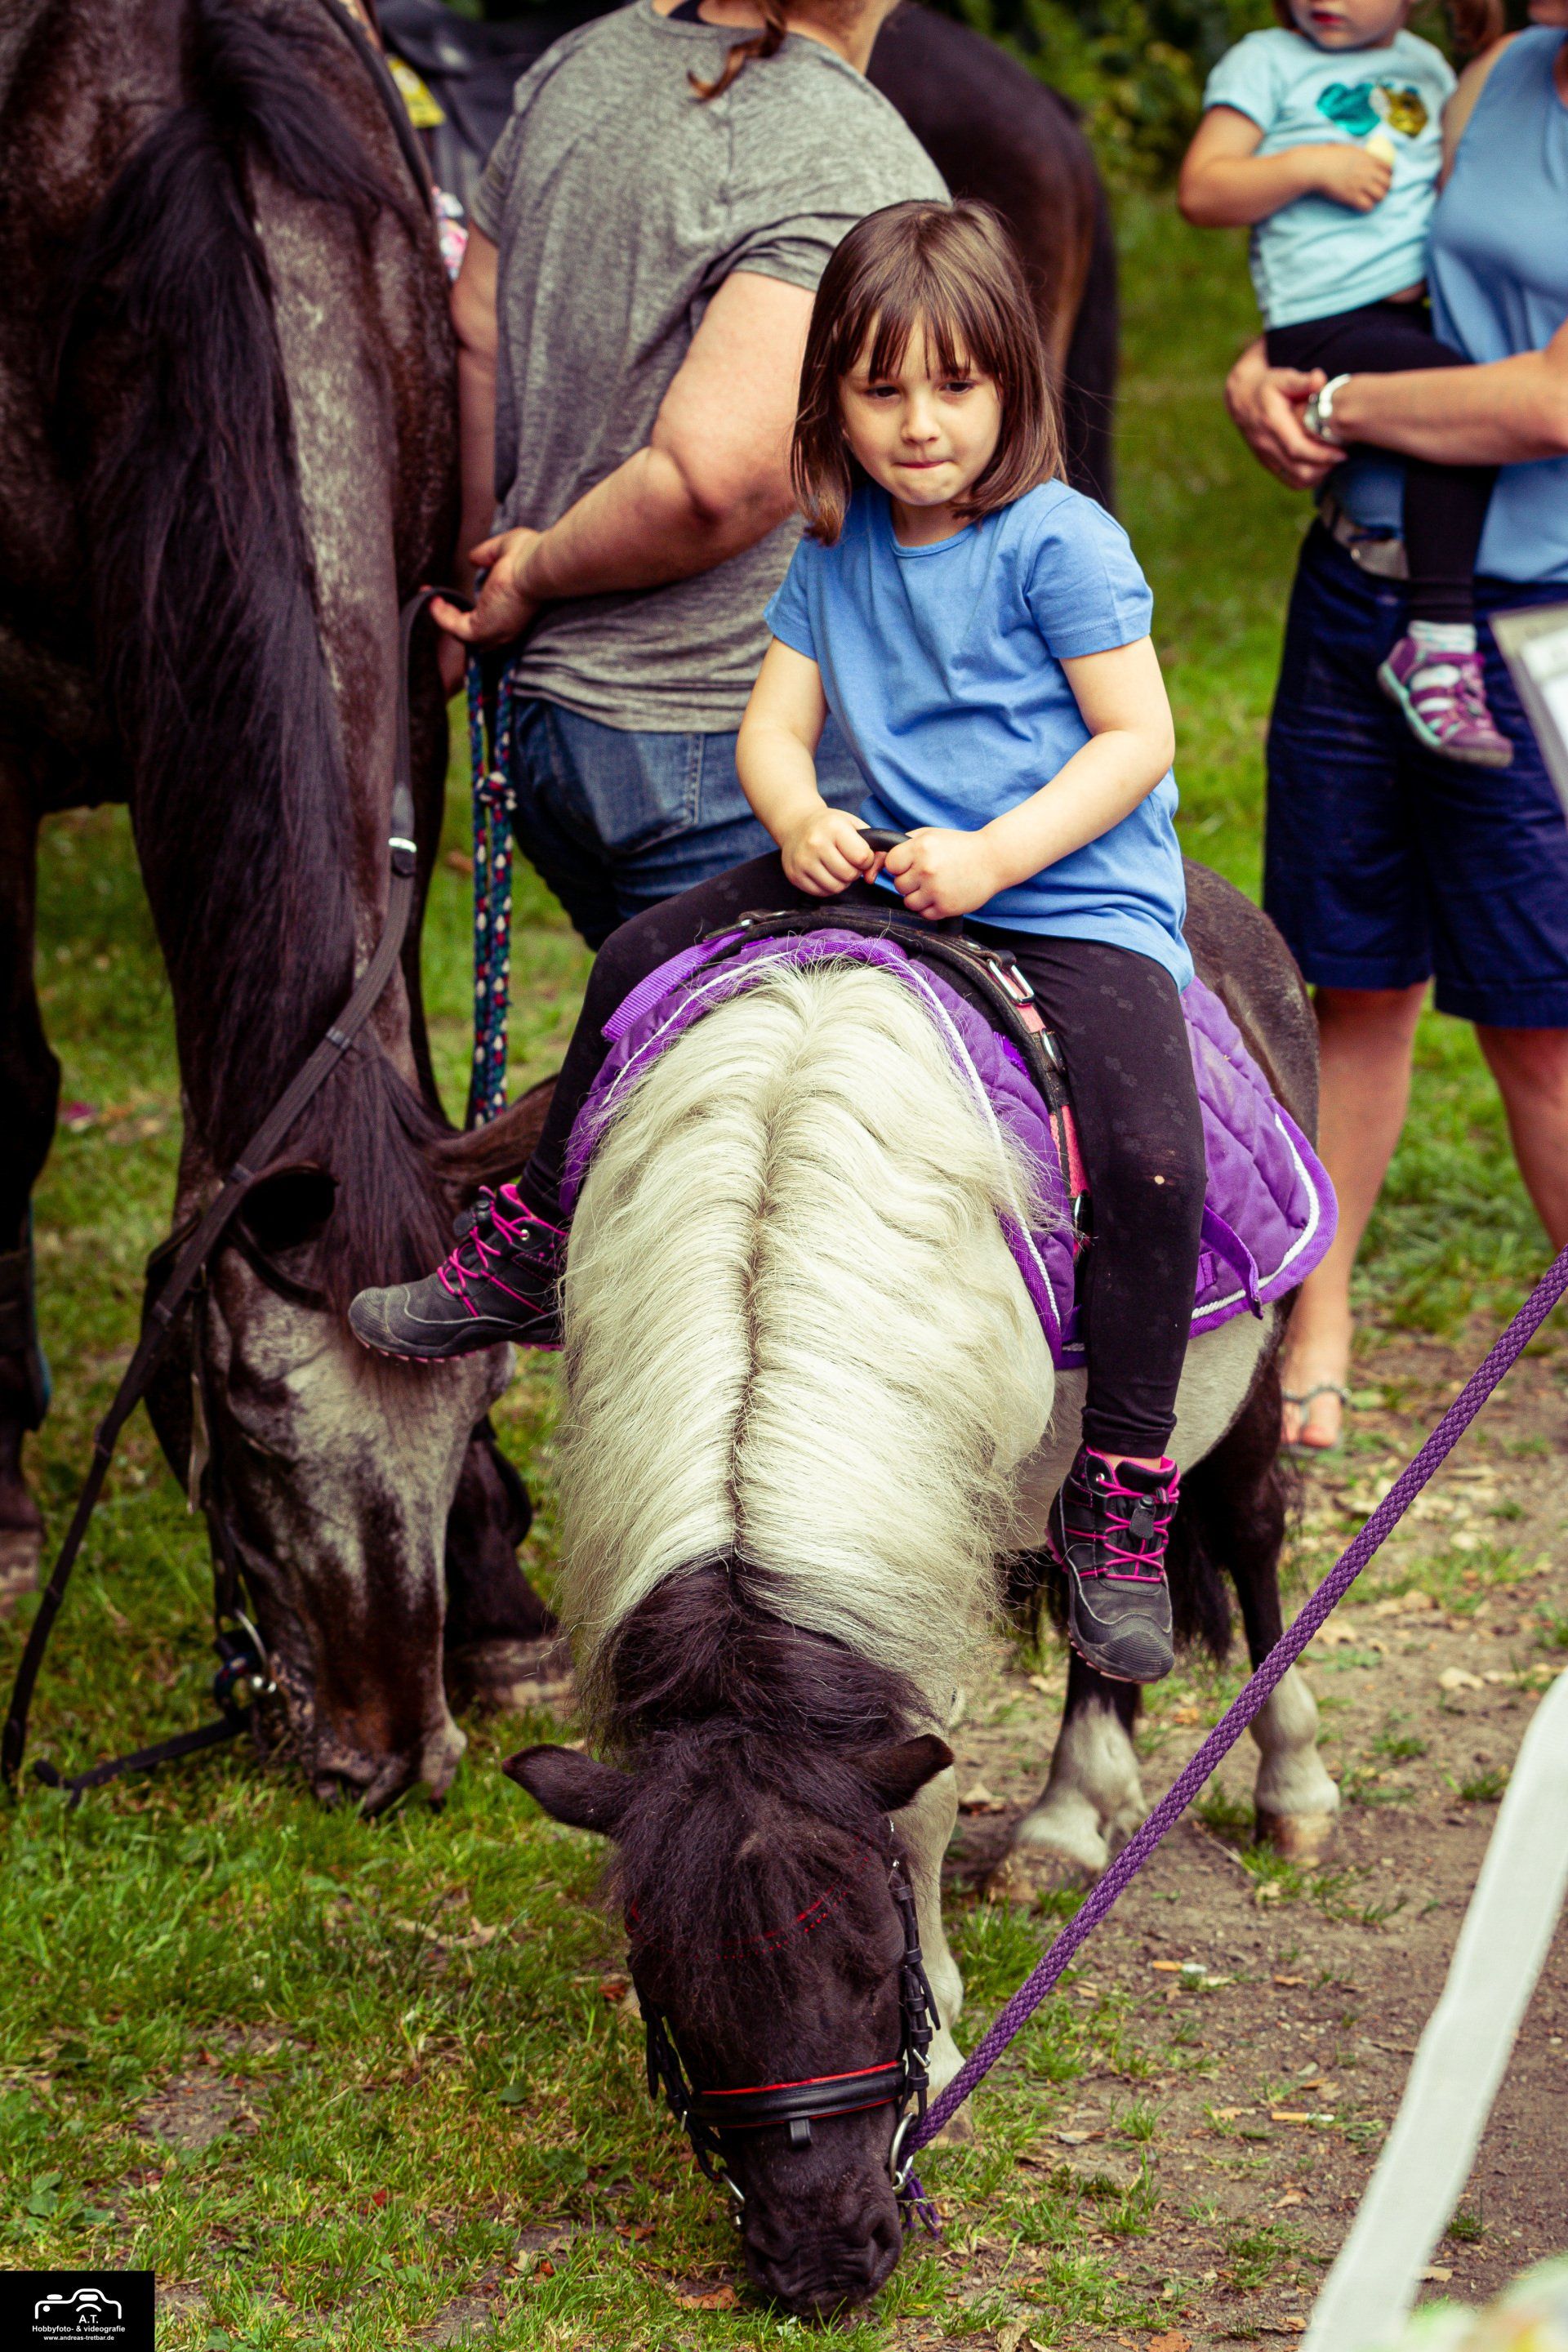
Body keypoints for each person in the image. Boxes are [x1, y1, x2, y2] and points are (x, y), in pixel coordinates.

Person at [354, 200, 1205, 1687]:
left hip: (1066, 893)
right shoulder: (837, 542)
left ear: (1013, 384)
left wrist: (994, 853)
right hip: (882, 859)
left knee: (1150, 1161)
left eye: (956, 386)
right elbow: (774, 726)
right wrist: (800, 815)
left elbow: (1135, 737)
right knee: (636, 962)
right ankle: (533, 1243)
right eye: (883, 390)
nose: (921, 425)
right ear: (833, 404)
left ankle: (1121, 1489)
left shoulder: (1062, 544)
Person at [1223, 0, 1568, 1449]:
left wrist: (1343, 400)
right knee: (1352, 980)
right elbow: (1394, 273)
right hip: (1356, 591)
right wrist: (1269, 365)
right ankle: (1321, 1311)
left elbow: (1551, 401)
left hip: (1533, 618)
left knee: (1542, 1018)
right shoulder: (1500, 74)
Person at [424, 0, 947, 945]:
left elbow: (477, 329)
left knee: (664, 1027)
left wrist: (478, 582)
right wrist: (528, 575)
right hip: (732, 749)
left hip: (551, 733)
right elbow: (713, 483)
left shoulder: (586, 60)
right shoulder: (847, 155)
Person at [1180, 0, 1508, 768]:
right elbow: (1202, 190)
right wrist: (1309, 167)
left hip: (1410, 316)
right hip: (1318, 317)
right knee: (1461, 404)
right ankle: (1439, 641)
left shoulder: (1427, 69)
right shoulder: (1266, 61)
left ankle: (1435, 636)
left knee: (1450, 426)